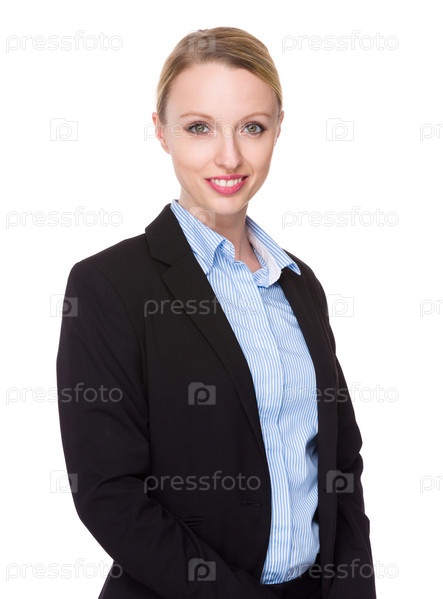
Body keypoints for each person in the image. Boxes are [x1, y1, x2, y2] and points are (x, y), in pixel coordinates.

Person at [56, 27, 376, 599]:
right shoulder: (108, 285)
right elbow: (108, 494)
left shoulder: (299, 284)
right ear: (161, 131)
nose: (229, 157)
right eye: (199, 127)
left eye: (252, 127)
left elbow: (340, 464)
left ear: (278, 127)